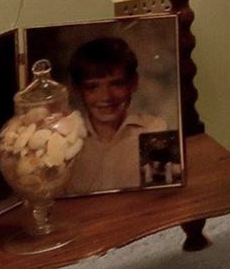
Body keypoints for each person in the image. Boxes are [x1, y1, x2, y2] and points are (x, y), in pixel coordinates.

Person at [62, 32, 169, 195]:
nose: (106, 97)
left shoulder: (153, 129)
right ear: (77, 90)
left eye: (116, 84)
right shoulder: (64, 139)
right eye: (93, 87)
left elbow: (161, 196)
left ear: (133, 83)